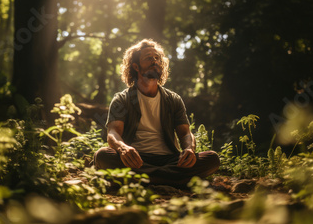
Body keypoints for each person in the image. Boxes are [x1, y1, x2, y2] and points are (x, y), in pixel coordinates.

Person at [94, 39, 220, 188]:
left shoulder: (173, 99)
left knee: (212, 159)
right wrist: (123, 148)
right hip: (137, 160)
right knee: (102, 156)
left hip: (171, 160)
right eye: (148, 58)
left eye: (157, 58)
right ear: (136, 66)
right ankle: (175, 180)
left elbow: (185, 133)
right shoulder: (122, 99)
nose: (155, 61)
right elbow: (113, 133)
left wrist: (189, 149)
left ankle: (141, 180)